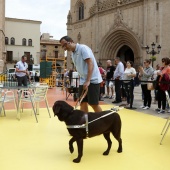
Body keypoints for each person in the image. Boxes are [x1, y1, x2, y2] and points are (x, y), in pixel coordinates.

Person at [60, 36, 102, 113]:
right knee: (82, 102)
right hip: (83, 80)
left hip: (92, 80)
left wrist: (88, 80)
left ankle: (104, 122)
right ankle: (83, 122)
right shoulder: (73, 54)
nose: (65, 48)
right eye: (63, 46)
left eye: (65, 44)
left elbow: (90, 63)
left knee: (93, 104)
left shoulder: (83, 48)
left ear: (71, 41)